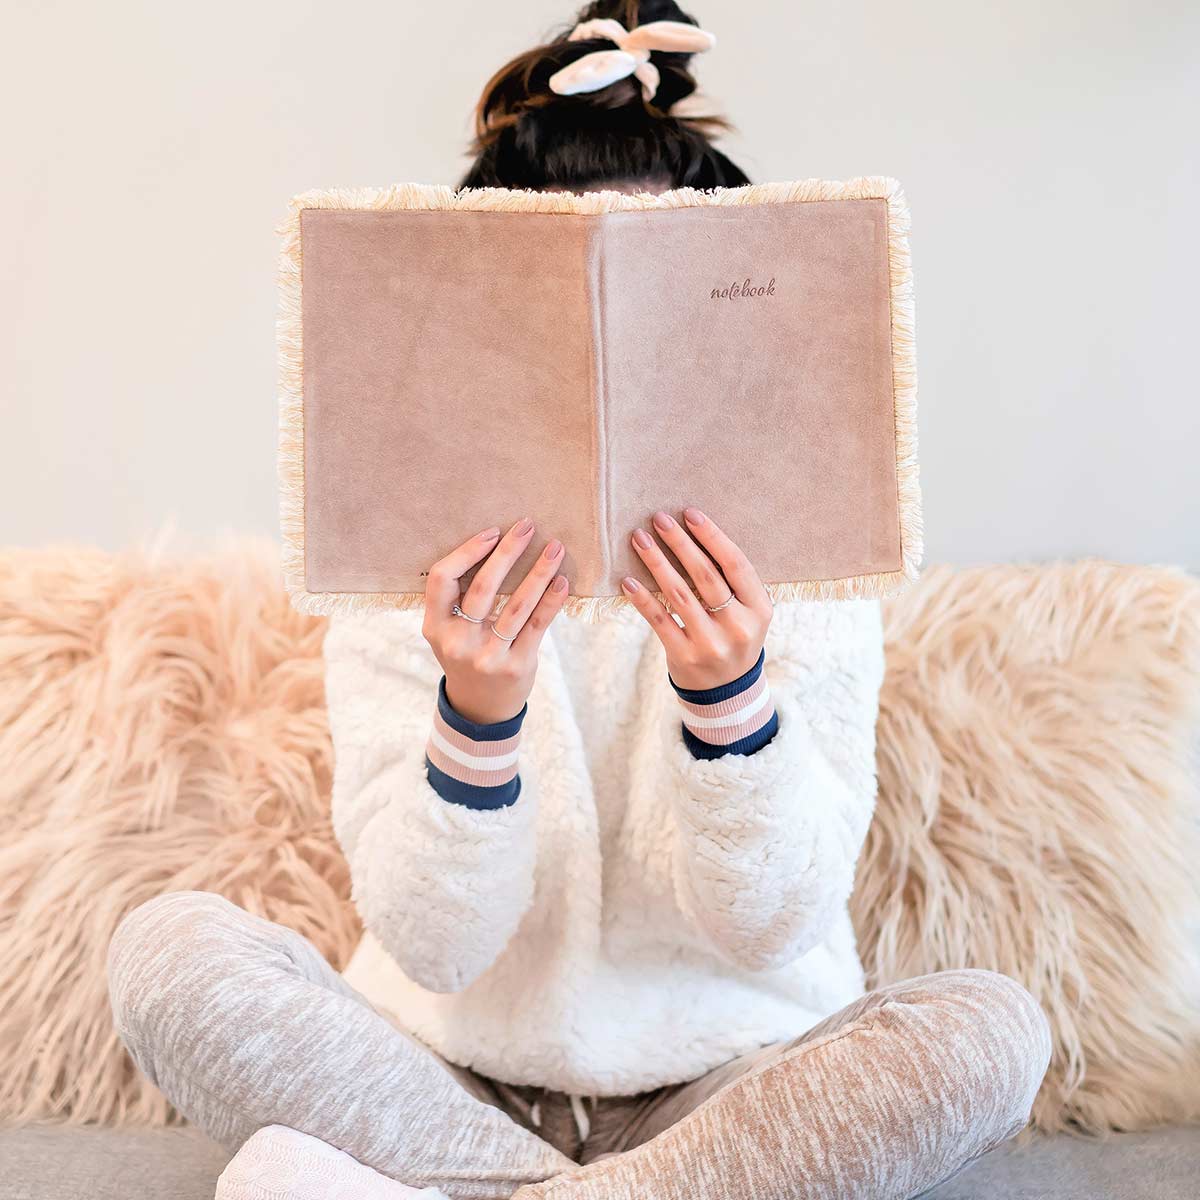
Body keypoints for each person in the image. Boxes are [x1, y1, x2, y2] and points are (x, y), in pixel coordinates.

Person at [107, 3, 1051, 1198]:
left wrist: (729, 700)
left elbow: (772, 928)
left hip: (727, 1087)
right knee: (167, 952)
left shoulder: (809, 560)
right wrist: (477, 714)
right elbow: (435, 946)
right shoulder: (403, 566)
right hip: (446, 1079)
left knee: (989, 1032)